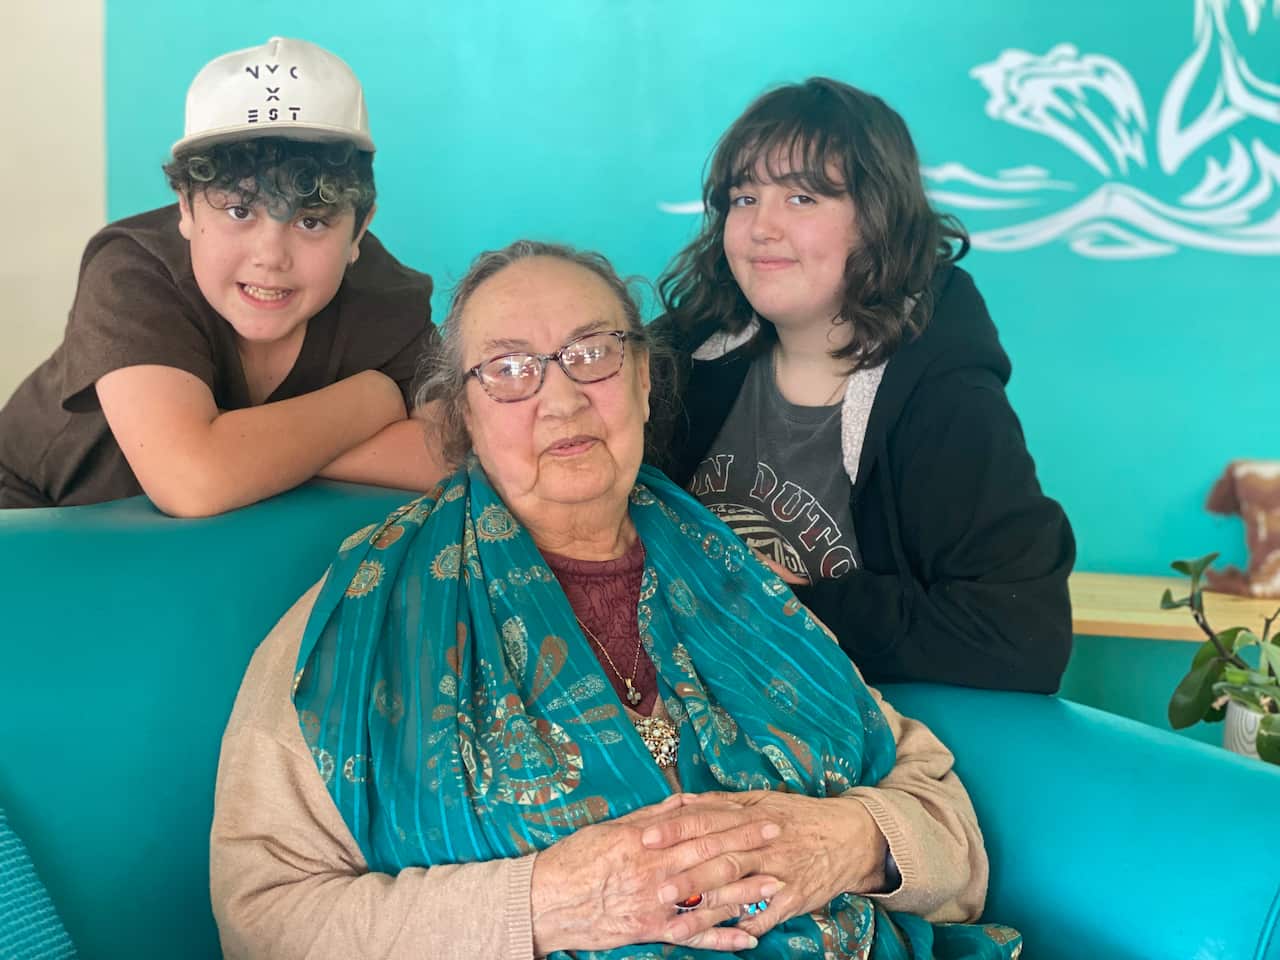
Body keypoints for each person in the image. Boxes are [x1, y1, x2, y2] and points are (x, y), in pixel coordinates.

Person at [210, 241, 1021, 959]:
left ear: (642, 384)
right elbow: (264, 918)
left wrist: (848, 841)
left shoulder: (736, 577)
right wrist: (546, 903)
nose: (560, 401)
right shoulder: (358, 623)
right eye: (509, 370)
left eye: (593, 354)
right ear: (463, 416)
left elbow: (942, 821)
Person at [653, 78, 1075, 693]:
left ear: (877, 221)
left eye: (801, 198)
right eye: (744, 199)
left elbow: (1022, 637)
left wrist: (797, 606)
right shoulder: (686, 350)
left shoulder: (945, 398)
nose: (761, 227)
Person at [0, 37, 444, 515]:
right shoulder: (132, 271)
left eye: (310, 220)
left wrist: (239, 450)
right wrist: (371, 401)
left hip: (226, 540)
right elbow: (192, 482)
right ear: (186, 208)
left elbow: (451, 454)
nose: (270, 256)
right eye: (238, 210)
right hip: (39, 518)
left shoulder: (387, 297)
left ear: (360, 228)